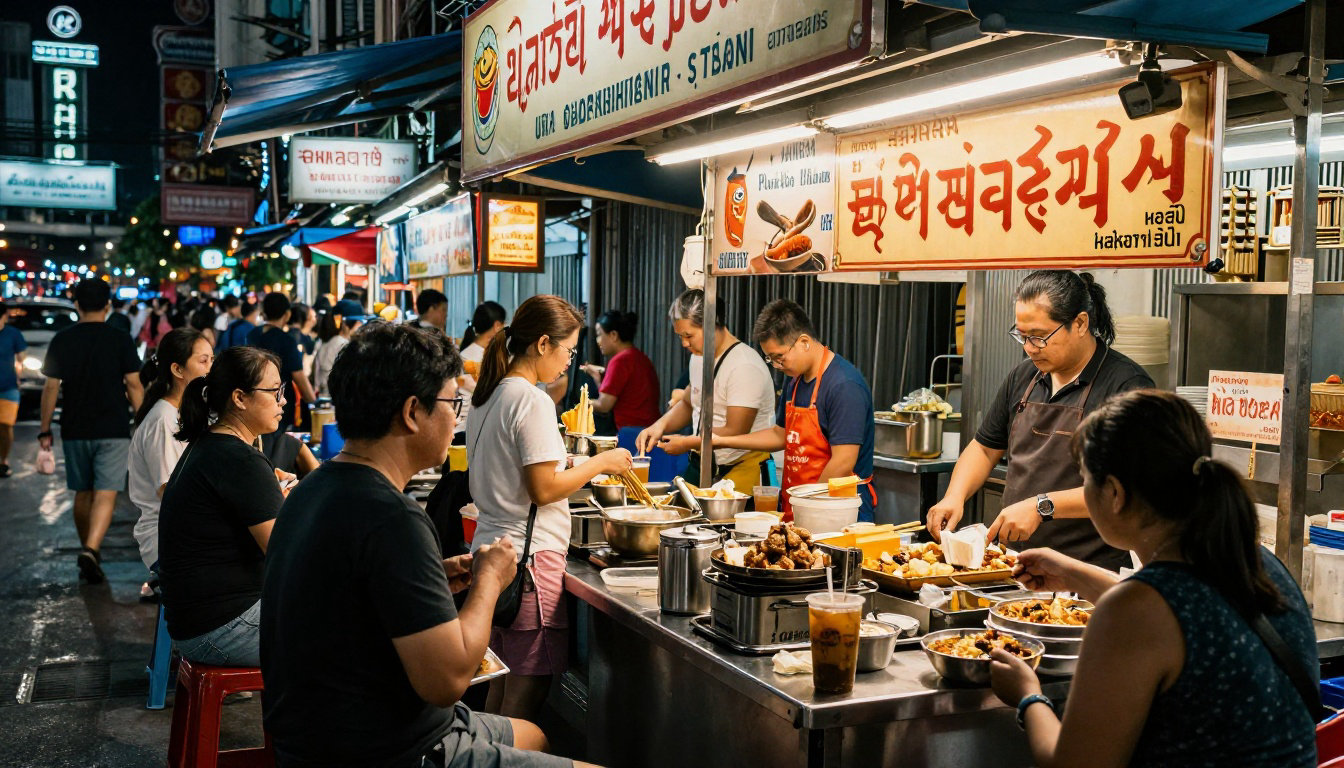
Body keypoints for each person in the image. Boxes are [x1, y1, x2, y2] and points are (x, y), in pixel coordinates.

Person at [263, 323, 589, 768]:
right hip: (388, 748)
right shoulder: (393, 517)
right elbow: (449, 680)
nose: (457, 418)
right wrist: (488, 583)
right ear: (412, 411)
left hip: (321, 731)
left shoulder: (312, 489)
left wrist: (435, 576)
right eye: (452, 403)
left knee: (533, 734)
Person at [989, 390, 1318, 767]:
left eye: (1085, 481)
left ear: (1114, 493)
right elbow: (1181, 618)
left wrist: (1028, 695)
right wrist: (1071, 572)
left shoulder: (1136, 612)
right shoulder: (1259, 562)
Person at [469, 295, 632, 719]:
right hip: (528, 562)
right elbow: (543, 489)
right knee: (527, 692)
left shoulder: (488, 395)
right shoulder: (532, 399)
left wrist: (575, 463)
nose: (569, 360)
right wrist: (601, 461)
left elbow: (524, 467)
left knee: (500, 682)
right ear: (543, 344)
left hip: (493, 554)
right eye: (568, 350)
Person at [927, 270, 1153, 570]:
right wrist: (954, 496)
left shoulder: (1127, 386)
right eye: (1022, 336)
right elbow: (984, 447)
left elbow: (1122, 490)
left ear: (1081, 323)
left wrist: (1042, 506)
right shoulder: (1024, 376)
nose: (1029, 348)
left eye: (1039, 337)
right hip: (1013, 564)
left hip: (1087, 571)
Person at [158, 346, 294, 666]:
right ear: (239, 398)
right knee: (357, 627)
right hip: (224, 628)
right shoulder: (238, 458)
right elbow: (285, 554)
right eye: (275, 392)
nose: (283, 401)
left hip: (199, 623)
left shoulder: (211, 445)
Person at [711, 300, 877, 522]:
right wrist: (723, 441)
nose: (777, 365)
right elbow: (780, 434)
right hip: (799, 505)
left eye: (780, 357)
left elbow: (843, 461)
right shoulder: (796, 381)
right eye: (771, 359)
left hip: (838, 510)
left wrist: (808, 506)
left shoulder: (844, 385)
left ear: (804, 342)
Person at [39, 279, 144, 583]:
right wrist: (143, 419)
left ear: (77, 305)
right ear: (108, 306)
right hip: (112, 426)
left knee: (82, 492)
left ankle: (89, 547)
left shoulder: (62, 339)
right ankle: (91, 549)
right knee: (106, 491)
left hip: (74, 426)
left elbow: (50, 387)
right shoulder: (120, 338)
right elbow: (134, 384)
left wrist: (44, 429)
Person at [636, 289, 775, 492]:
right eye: (680, 336)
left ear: (711, 324)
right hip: (704, 462)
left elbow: (735, 430)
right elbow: (689, 401)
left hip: (743, 466)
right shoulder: (698, 357)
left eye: (688, 335)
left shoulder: (744, 365)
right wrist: (659, 426)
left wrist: (687, 442)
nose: (684, 343)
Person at [128, 328, 214, 578]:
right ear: (178, 370)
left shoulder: (185, 412)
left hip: (186, 531)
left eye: (212, 359)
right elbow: (170, 492)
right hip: (167, 539)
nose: (211, 368)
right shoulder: (164, 421)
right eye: (203, 361)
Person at [247, 293, 318, 433]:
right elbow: (299, 377)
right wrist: (313, 402)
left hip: (253, 401)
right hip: (279, 406)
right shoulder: (286, 340)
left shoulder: (252, 335)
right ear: (287, 314)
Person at [578, 310, 661, 431]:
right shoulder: (639, 357)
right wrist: (598, 377)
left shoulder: (620, 361)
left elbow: (604, 405)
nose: (598, 340)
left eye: (600, 334)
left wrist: (581, 403)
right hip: (649, 429)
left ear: (613, 335)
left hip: (631, 433)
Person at [455, 300, 507, 440]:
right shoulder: (479, 357)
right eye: (504, 325)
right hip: (467, 430)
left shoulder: (467, 353)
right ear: (497, 325)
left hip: (463, 429)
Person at [312, 299, 373, 397]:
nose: (361, 326)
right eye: (360, 322)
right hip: (336, 400)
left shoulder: (325, 342)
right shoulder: (342, 344)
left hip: (324, 398)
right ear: (345, 324)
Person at [0, 299, 27, 478]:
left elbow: (21, 357)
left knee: (5, 426)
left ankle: (3, 461)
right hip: (9, 386)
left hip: (8, 387)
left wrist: (18, 373)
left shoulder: (13, 334)